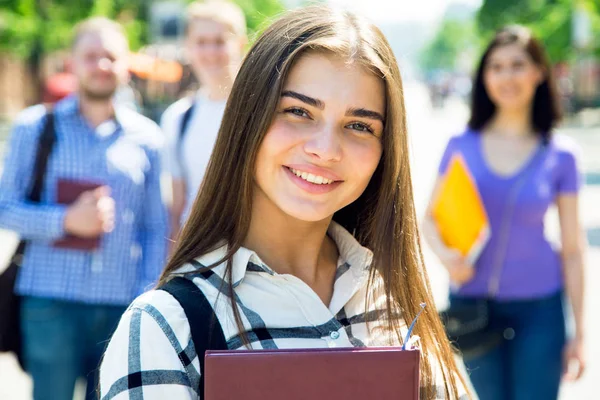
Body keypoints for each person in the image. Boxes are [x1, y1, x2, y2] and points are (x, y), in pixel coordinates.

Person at [99, 6, 468, 400]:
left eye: (359, 125)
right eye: (298, 111)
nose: (325, 150)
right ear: (248, 117)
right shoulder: (167, 327)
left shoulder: (396, 305)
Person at [0, 17, 168, 400]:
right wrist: (65, 220)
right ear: (72, 63)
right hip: (49, 301)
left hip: (120, 307)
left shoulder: (148, 139)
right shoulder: (33, 127)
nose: (101, 65)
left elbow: (154, 226)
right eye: (91, 56)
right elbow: (4, 207)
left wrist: (145, 299)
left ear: (125, 65)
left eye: (110, 56)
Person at [422, 25, 586, 400]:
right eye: (495, 66)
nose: (506, 76)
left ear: (538, 73)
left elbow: (574, 249)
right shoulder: (460, 145)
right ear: (484, 76)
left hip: (540, 309)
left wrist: (580, 333)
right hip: (472, 305)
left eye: (517, 65)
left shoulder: (561, 155)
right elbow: (428, 218)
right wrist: (447, 258)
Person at [160, 0, 247, 243]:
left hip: (254, 252)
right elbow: (177, 204)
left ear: (239, 43)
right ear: (188, 47)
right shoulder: (178, 118)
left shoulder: (261, 109)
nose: (210, 52)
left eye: (219, 41)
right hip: (198, 255)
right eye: (201, 42)